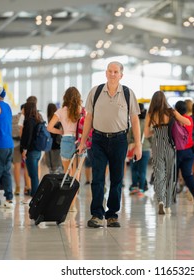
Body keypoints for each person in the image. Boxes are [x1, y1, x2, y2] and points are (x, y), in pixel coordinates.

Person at [77, 61, 142, 228]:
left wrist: (138, 144)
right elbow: (88, 118)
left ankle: (112, 214)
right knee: (97, 178)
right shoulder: (96, 92)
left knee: (116, 178)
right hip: (98, 140)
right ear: (106, 73)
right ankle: (97, 214)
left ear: (121, 75)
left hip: (120, 140)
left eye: (116, 72)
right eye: (110, 71)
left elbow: (134, 120)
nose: (113, 74)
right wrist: (83, 141)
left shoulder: (128, 93)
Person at [144, 91, 191, 215]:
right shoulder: (171, 112)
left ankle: (160, 200)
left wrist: (155, 132)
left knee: (158, 172)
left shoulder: (150, 114)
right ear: (164, 100)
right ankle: (168, 205)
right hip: (170, 144)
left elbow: (146, 134)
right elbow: (188, 122)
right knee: (170, 173)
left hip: (157, 144)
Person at [174, 100, 194, 205]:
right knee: (188, 175)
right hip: (189, 151)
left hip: (177, 151)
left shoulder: (174, 120)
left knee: (174, 175)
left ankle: (173, 197)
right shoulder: (189, 119)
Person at [20, 102, 42, 199]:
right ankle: (35, 194)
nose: (22, 110)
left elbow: (27, 137)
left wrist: (24, 150)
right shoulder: (38, 120)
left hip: (31, 151)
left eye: (24, 108)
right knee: (34, 174)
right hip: (37, 151)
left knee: (33, 175)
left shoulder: (28, 121)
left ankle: (35, 196)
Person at [128, 103, 151, 195]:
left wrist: (132, 143)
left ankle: (134, 186)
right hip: (145, 149)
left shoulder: (133, 124)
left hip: (134, 149)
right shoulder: (147, 123)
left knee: (134, 169)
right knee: (142, 170)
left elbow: (128, 138)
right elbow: (151, 137)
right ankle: (141, 189)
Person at [45, 103, 63, 174]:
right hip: (57, 144)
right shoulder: (57, 119)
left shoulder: (47, 120)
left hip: (49, 144)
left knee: (51, 167)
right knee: (57, 165)